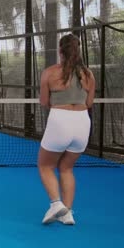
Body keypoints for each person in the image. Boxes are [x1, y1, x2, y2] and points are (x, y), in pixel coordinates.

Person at [37, 34, 95, 226]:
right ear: (77, 51)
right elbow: (89, 103)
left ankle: (56, 204)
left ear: (60, 51)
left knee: (45, 166)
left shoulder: (50, 73)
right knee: (67, 168)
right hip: (82, 123)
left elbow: (44, 102)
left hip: (60, 121)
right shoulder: (88, 74)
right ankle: (67, 213)